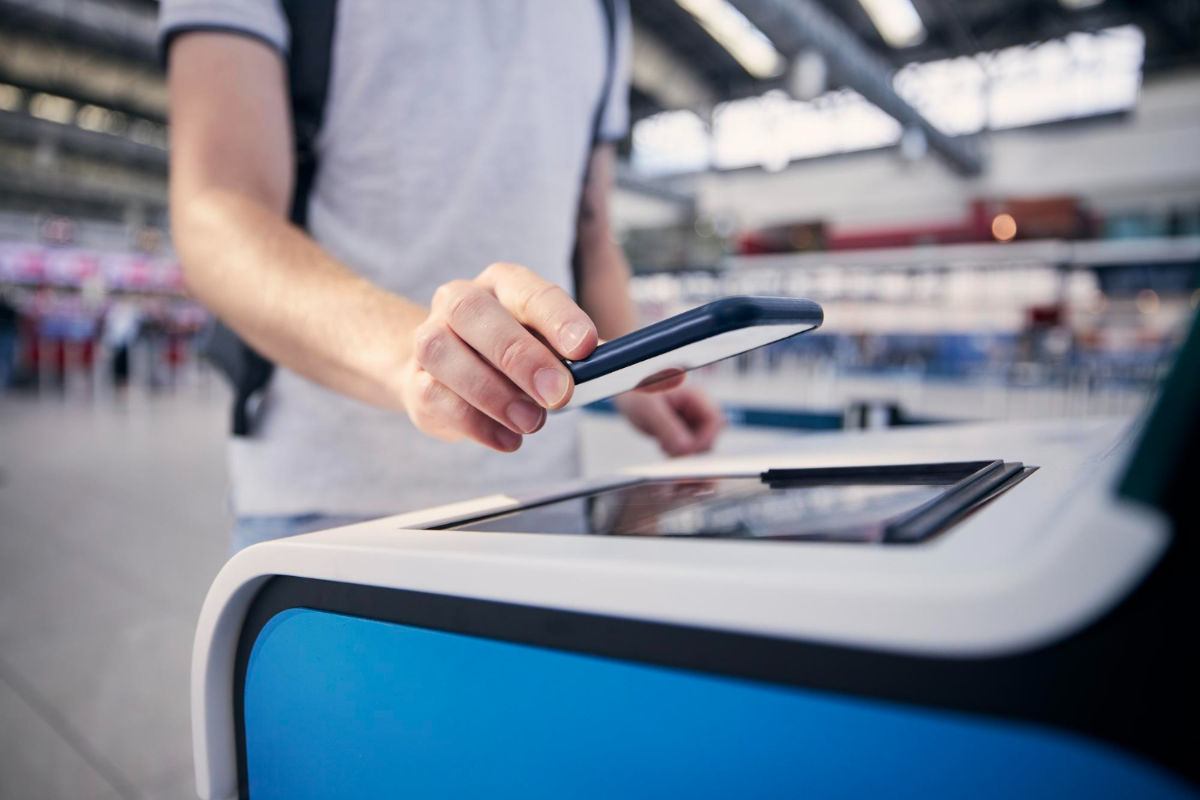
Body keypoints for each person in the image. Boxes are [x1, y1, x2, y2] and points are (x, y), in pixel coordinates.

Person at [161, 1, 725, 551]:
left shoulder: (604, 11)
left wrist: (629, 369)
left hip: (548, 499)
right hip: (332, 509)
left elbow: (591, 232)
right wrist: (418, 358)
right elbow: (216, 211)